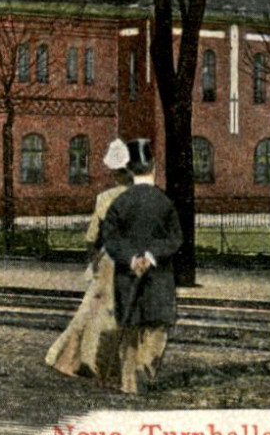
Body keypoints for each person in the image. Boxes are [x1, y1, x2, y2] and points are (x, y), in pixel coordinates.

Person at [46, 138, 133, 381]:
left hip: (110, 261)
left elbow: (92, 236)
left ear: (115, 172)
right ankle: (121, 367)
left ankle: (80, 360)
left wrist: (94, 261)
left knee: (93, 313)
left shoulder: (105, 198)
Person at [99, 138, 181, 394]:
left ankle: (129, 385)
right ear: (153, 167)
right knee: (157, 327)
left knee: (131, 330)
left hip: (127, 276)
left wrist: (132, 259)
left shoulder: (119, 204)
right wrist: (151, 256)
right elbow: (175, 239)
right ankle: (146, 368)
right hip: (159, 278)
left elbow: (110, 240)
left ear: (130, 170)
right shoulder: (164, 201)